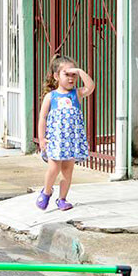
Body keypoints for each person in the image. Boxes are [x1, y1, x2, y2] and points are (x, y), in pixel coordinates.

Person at [35, 55, 94, 210]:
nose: (71, 78)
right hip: (56, 141)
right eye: (66, 74)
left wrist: (80, 71)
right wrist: (42, 139)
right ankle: (47, 192)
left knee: (67, 172)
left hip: (72, 142)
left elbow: (90, 87)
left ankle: (62, 199)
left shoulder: (77, 94)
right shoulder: (51, 96)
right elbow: (42, 118)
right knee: (54, 169)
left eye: (73, 75)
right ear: (56, 76)